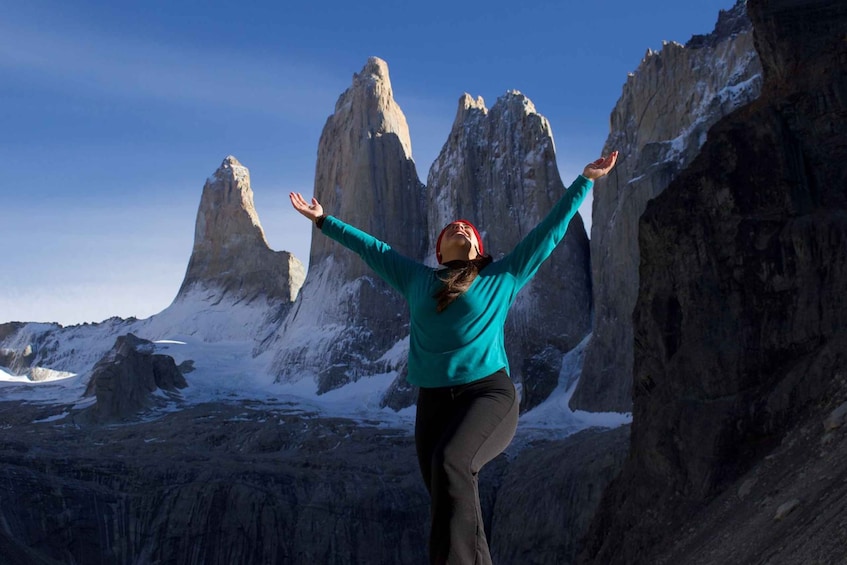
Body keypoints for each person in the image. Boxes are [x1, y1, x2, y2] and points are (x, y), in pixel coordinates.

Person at [289, 151, 618, 565]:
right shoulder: (417, 280)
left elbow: (549, 232)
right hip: (433, 402)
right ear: (439, 252)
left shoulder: (502, 276)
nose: (460, 226)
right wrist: (323, 220)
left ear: (478, 250)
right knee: (449, 494)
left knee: (450, 463)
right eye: (451, 228)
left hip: (488, 395)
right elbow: (372, 248)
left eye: (468, 229)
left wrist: (585, 181)